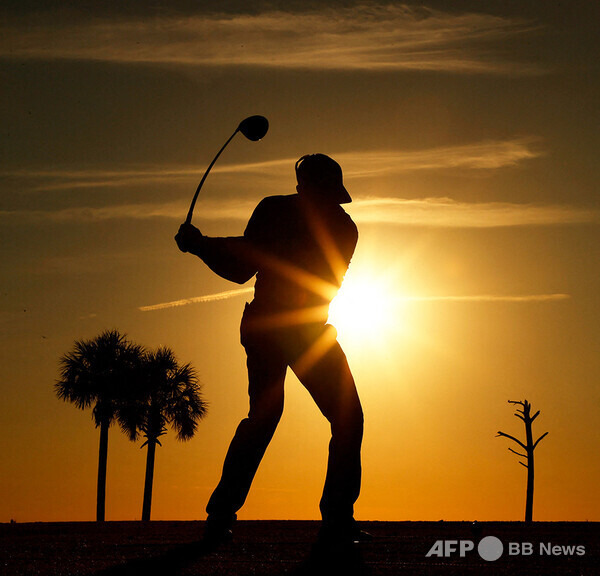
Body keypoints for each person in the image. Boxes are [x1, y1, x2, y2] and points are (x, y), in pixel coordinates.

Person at [175, 154, 366, 547]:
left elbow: (246, 263)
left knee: (322, 417)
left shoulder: (324, 223)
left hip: (292, 327)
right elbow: (246, 264)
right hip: (285, 328)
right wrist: (202, 247)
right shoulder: (321, 220)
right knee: (276, 416)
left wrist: (200, 245)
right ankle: (331, 521)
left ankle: (331, 520)